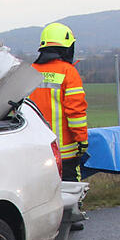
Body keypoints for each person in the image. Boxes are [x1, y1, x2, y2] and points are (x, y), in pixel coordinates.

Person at [30, 22, 89, 183]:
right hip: (64, 152)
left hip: (34, 151)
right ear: (68, 48)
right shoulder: (68, 72)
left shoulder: (29, 72)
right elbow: (76, 112)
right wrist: (82, 140)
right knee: (70, 196)